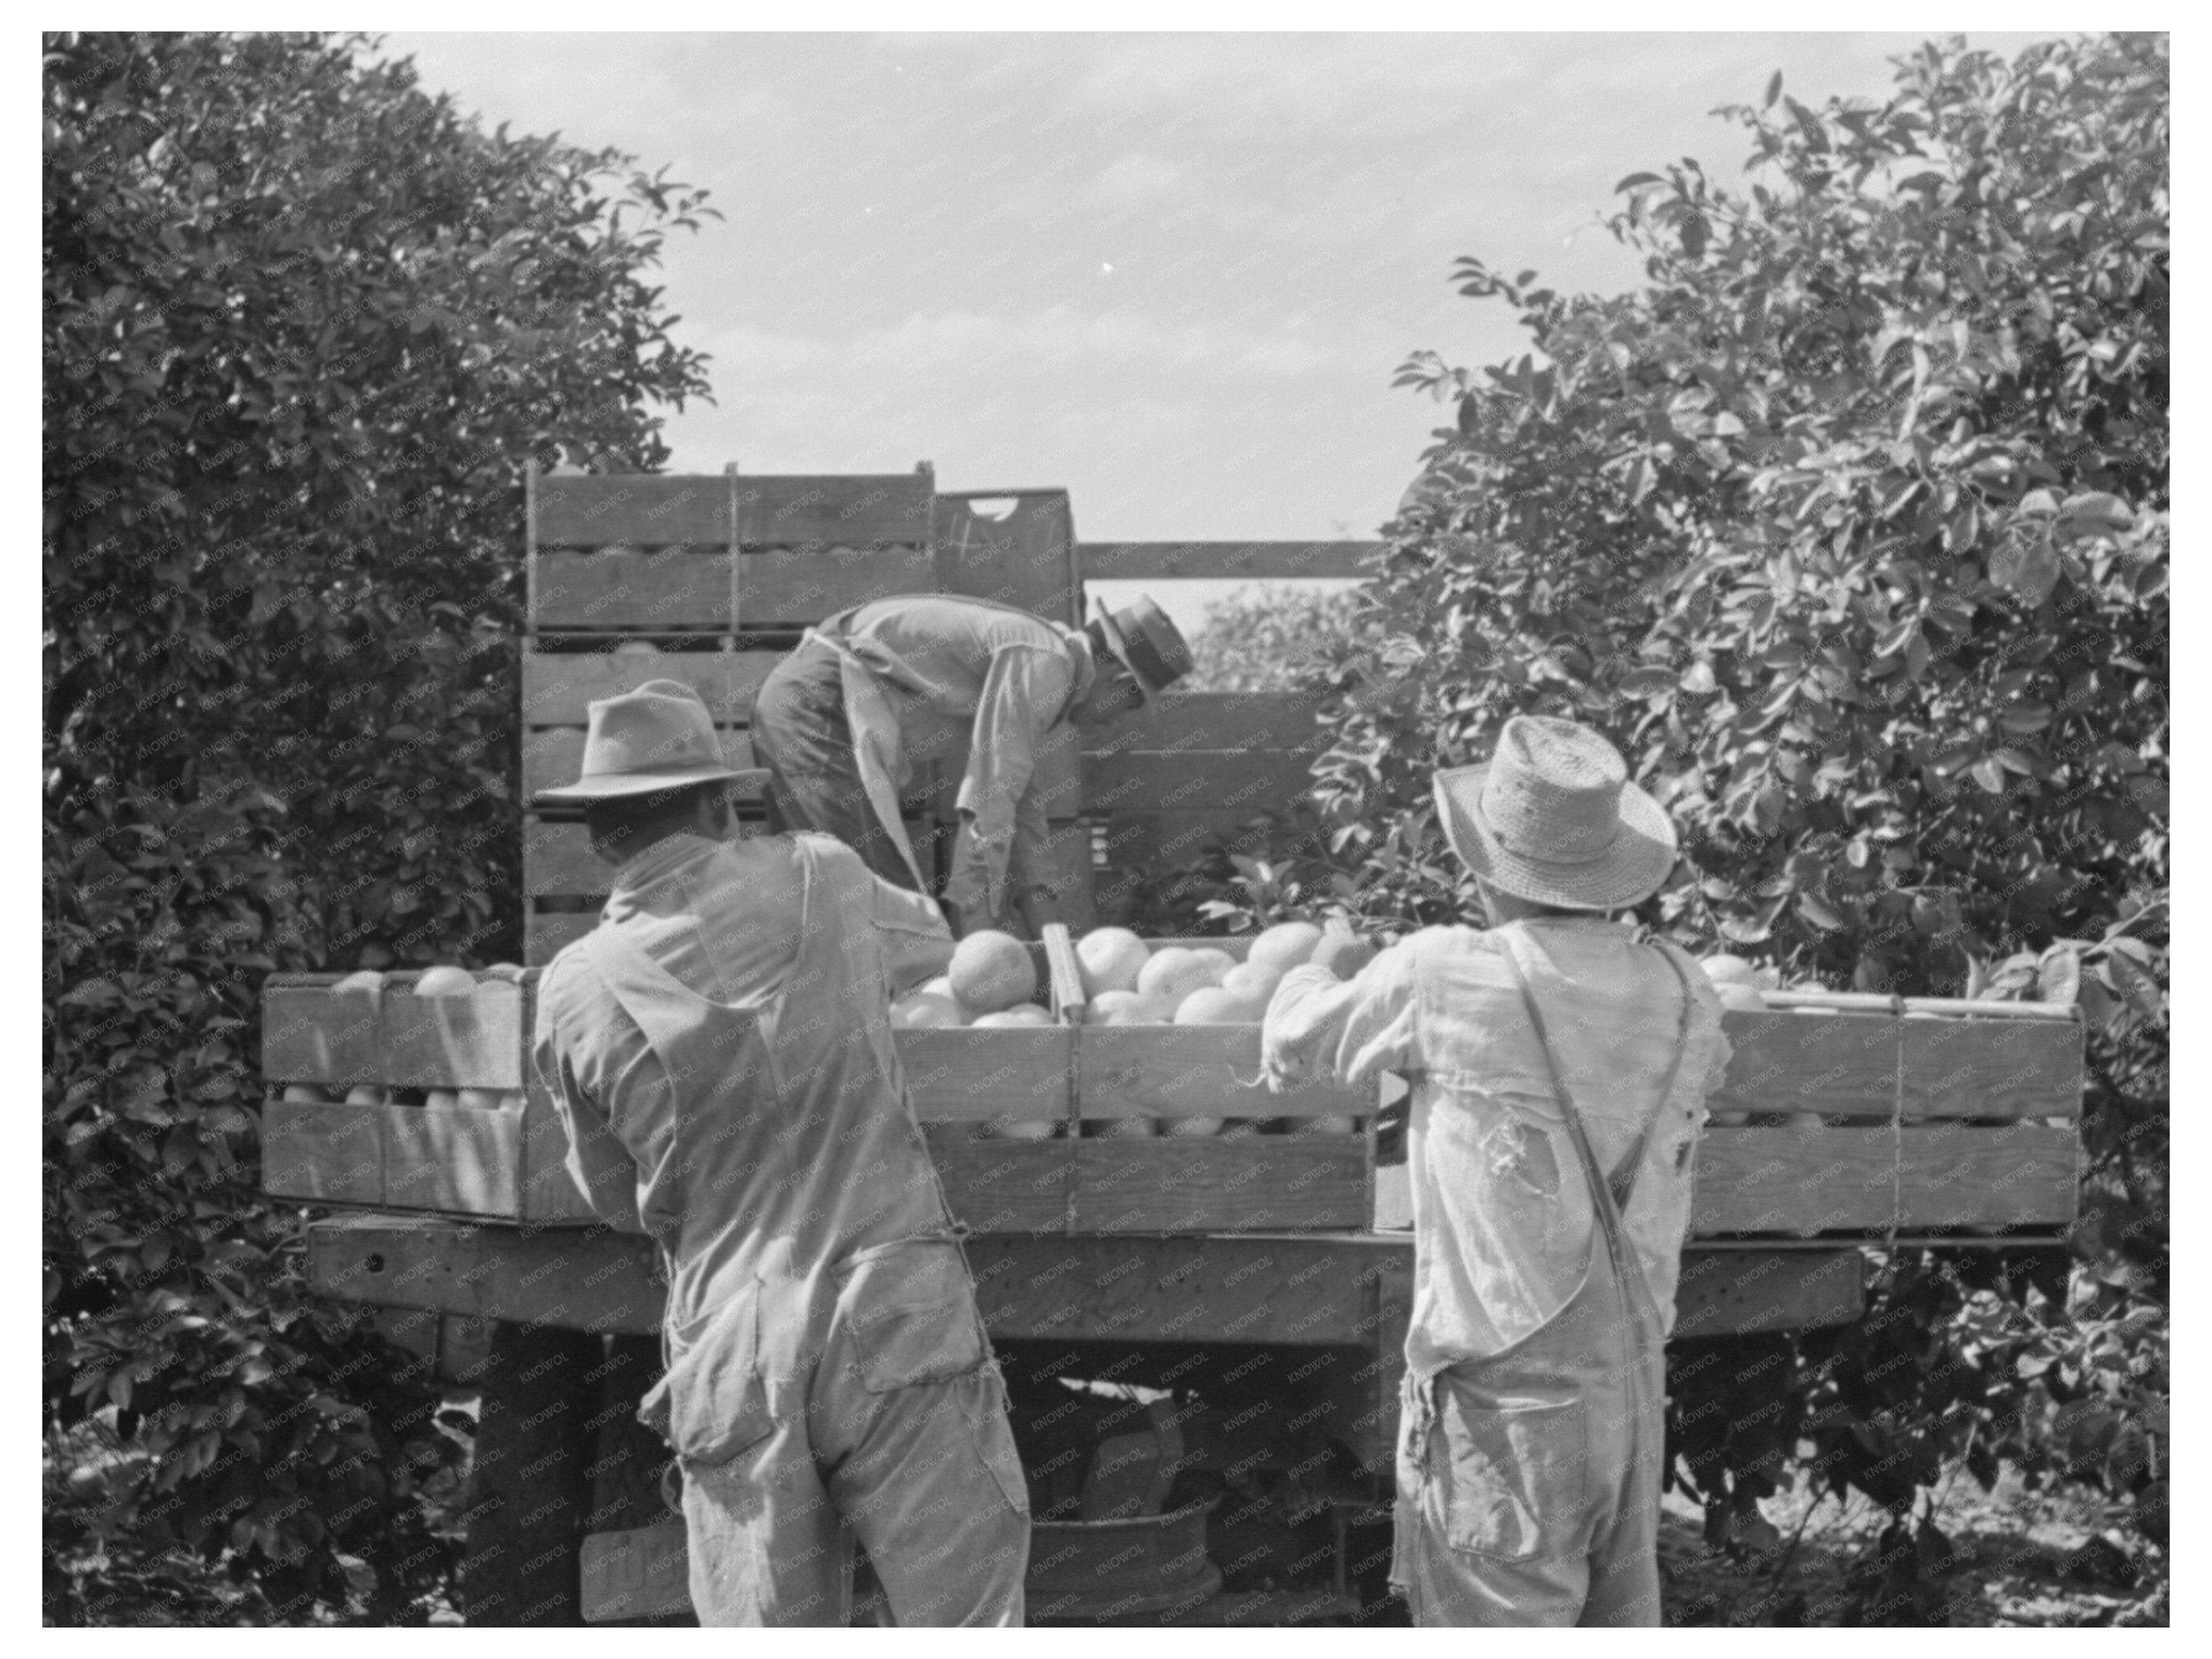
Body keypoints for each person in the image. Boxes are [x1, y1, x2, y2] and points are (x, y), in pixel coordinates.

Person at [529, 678, 1031, 1626]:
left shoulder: (572, 991)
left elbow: (606, 1195)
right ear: (723, 804)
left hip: (733, 1347)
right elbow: (942, 954)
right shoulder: (822, 873)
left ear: (599, 838)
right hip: (897, 1306)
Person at [1260, 715, 1732, 1627]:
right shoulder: (1685, 987)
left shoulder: (1445, 975)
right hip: (1628, 1401)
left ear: (1483, 864)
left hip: (1506, 1422)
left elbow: (1294, 1043)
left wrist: (1314, 961)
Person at [748, 592, 1192, 938]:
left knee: (858, 911)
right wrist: (973, 952)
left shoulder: (1046, 658)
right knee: (882, 912)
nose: (1115, 723)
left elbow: (1020, 812)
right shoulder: (1046, 662)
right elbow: (989, 802)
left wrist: (1054, 947)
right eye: (1129, 707)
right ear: (1119, 680)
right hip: (814, 708)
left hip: (811, 707)